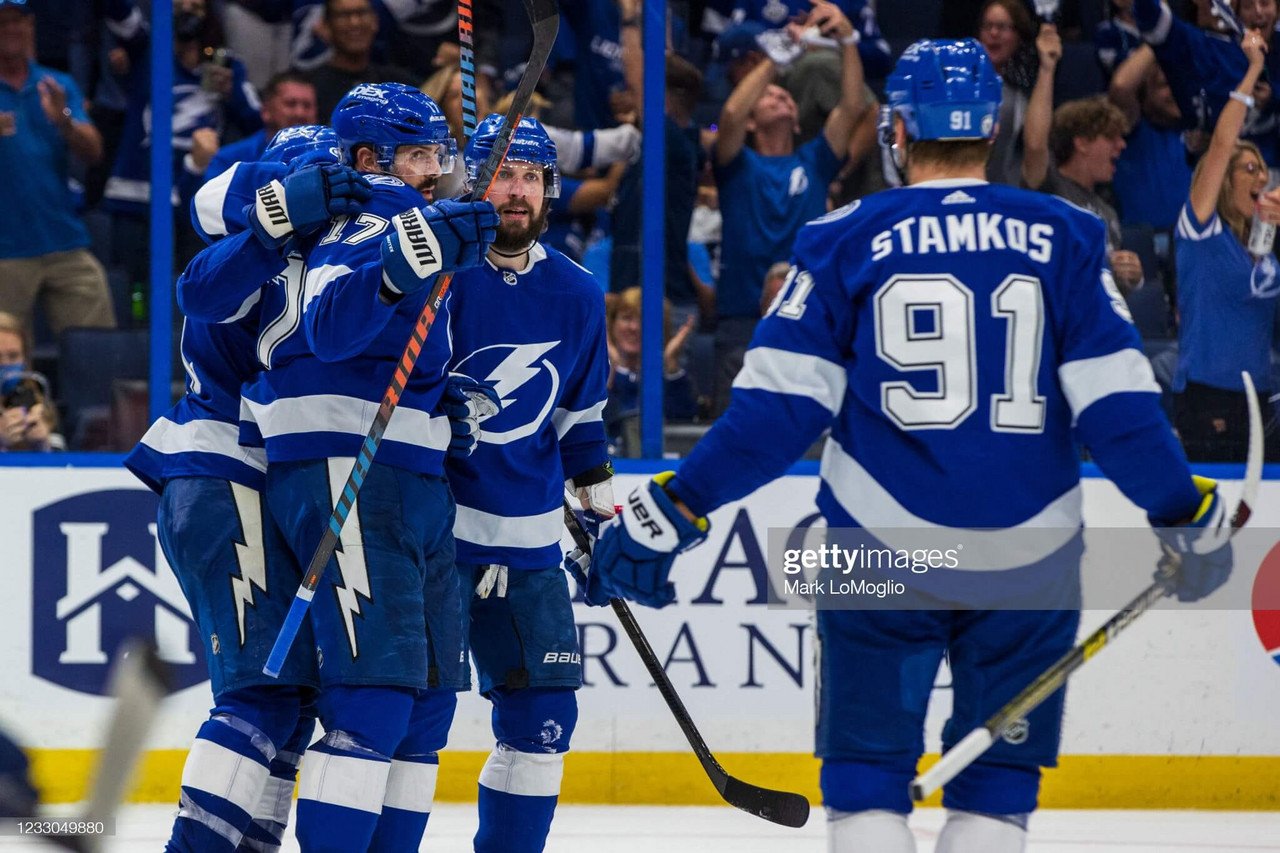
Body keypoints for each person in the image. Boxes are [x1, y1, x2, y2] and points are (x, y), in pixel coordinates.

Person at [584, 39, 1233, 852]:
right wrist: (1184, 509)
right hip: (1031, 558)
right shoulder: (1066, 231)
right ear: (991, 129)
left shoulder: (842, 234)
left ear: (896, 131)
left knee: (865, 785)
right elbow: (1121, 413)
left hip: (876, 555)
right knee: (995, 799)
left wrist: (675, 506)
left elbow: (775, 415)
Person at [236, 82, 495, 852]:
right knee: (373, 704)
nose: (430, 169)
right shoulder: (368, 212)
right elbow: (332, 322)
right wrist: (404, 259)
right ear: (365, 158)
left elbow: (402, 355)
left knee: (425, 711)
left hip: (409, 474)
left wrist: (446, 400)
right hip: (349, 462)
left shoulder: (415, 218)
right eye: (416, 154)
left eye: (434, 154)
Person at [127, 127, 372, 853]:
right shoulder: (255, 253)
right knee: (261, 696)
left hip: (255, 483)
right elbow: (202, 278)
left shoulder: (316, 252)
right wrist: (274, 210)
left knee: (293, 699)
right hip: (220, 472)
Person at [442, 113, 612, 853]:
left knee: (544, 723)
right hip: (431, 541)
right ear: (476, 181)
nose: (517, 192)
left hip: (531, 544)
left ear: (551, 188)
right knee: (400, 719)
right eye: (503, 174)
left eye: (531, 177)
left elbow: (580, 419)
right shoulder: (438, 272)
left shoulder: (577, 292)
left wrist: (600, 509)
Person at [711, 0, 865, 414]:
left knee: (808, 423)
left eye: (784, 95)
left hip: (808, 313)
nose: (778, 96)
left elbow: (852, 107)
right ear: (751, 121)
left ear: (797, 117)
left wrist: (848, 39)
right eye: (769, 95)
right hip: (742, 317)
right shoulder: (737, 164)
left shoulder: (814, 160)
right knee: (735, 426)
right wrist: (777, 61)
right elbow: (729, 112)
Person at [1173, 28, 1280, 461]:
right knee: (1217, 522)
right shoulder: (1200, 232)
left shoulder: (1268, 247)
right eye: (1248, 169)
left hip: (1264, 402)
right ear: (1222, 181)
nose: (1260, 178)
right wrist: (1254, 67)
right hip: (1207, 401)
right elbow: (1221, 143)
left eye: (1262, 171)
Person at [0, 0, 115, 337]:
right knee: (7, 362)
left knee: (96, 346)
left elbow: (94, 151)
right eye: (3, 23)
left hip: (63, 240)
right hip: (5, 250)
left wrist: (64, 121)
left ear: (31, 26)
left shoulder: (55, 85)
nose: (11, 30)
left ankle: (95, 393)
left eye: (18, 21)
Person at [1023, 94, 1147, 291]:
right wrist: (1047, 70)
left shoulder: (1108, 211)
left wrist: (1131, 277)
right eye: (1110, 137)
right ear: (1081, 143)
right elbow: (1035, 145)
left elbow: (1109, 290)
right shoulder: (1048, 189)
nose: (1121, 145)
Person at [604, 286, 698, 457]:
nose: (633, 327)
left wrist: (671, 364)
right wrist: (611, 370)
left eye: (642, 320)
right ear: (612, 324)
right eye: (626, 318)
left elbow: (685, 420)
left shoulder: (671, 379)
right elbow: (599, 422)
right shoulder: (593, 375)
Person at [191, 69, 318, 186]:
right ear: (266, 111)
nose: (300, 113)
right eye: (290, 104)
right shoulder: (229, 162)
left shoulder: (330, 157)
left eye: (307, 106)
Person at [301, 0, 418, 122]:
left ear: (375, 22)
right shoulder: (308, 89)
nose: (355, 23)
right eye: (343, 15)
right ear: (325, 27)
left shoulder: (400, 85)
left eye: (361, 13)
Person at [0, 311, 60, 452]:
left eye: (13, 356)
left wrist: (43, 444)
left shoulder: (37, 402)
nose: (5, 364)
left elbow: (69, 465)